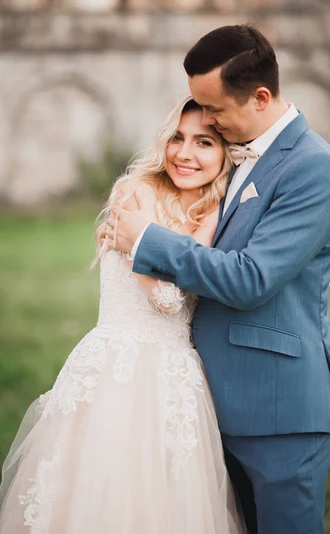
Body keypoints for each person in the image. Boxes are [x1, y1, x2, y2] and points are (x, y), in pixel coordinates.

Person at [107, 24, 330, 534]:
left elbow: (253, 277)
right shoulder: (233, 158)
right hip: (206, 403)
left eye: (216, 110)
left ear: (260, 96)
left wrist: (147, 239)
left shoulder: (314, 167)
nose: (210, 124)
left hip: (277, 408)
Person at [0, 97, 244, 533]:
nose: (185, 154)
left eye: (203, 142)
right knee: (97, 489)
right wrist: (152, 251)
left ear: (225, 152)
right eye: (177, 138)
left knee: (167, 500)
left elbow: (175, 291)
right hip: (115, 370)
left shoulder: (214, 213)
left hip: (173, 378)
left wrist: (140, 243)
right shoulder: (137, 191)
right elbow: (167, 298)